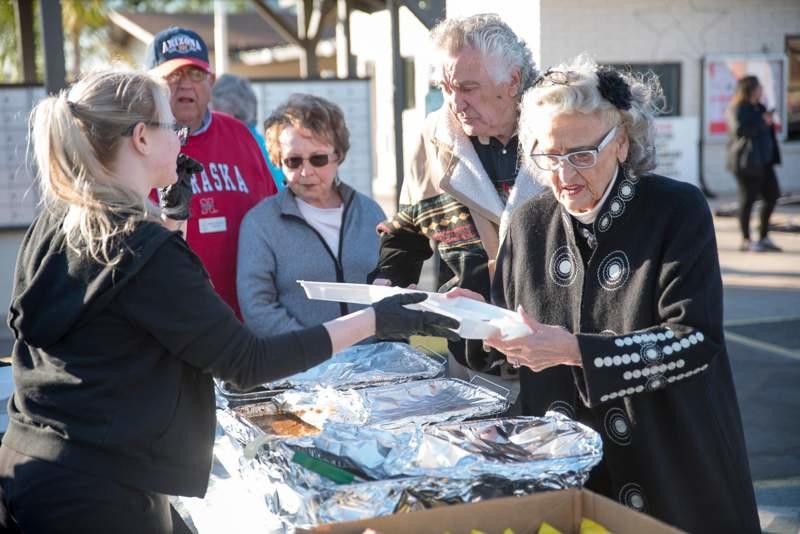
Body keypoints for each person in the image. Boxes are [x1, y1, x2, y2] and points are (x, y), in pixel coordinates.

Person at [0, 70, 459, 533]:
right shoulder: (141, 249)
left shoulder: (61, 223)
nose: (180, 137)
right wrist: (375, 320)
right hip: (98, 491)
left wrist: (171, 216)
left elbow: (122, 299)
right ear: (141, 137)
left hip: (38, 458)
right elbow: (246, 360)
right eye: (170, 126)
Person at [484, 56, 760, 532]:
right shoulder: (529, 223)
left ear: (622, 143)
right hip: (568, 472)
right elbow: (505, 348)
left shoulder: (677, 210)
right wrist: (462, 320)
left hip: (672, 468)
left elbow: (696, 340)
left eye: (581, 155)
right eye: (547, 156)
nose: (564, 174)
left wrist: (577, 352)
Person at [367, 13, 543, 379]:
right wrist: (390, 277)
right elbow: (407, 229)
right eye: (445, 88)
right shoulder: (435, 136)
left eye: (467, 88)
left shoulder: (561, 132)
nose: (455, 102)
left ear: (513, 81)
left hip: (552, 353)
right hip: (469, 355)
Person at [147, 27, 278, 319]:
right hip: (172, 322)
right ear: (150, 86)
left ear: (211, 82)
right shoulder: (137, 144)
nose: (185, 86)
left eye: (195, 74)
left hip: (247, 320)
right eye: (173, 75)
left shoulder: (240, 136)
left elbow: (274, 214)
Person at [237, 94, 386, 336]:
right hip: (302, 367)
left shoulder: (370, 213)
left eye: (318, 159)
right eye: (293, 161)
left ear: (338, 155)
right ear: (278, 162)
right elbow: (258, 309)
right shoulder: (260, 223)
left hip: (377, 365)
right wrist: (316, 351)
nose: (306, 172)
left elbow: (393, 291)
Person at [726, 75, 782, 252]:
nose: (761, 90)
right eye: (759, 87)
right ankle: (746, 239)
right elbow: (740, 130)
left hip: (765, 162)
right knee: (747, 200)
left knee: (772, 196)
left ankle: (764, 235)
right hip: (746, 163)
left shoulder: (760, 107)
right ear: (749, 89)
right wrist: (762, 122)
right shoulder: (737, 109)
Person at [211, 73, 286, 192]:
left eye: (212, 112)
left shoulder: (238, 148)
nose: (209, 120)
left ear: (228, 114)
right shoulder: (264, 145)